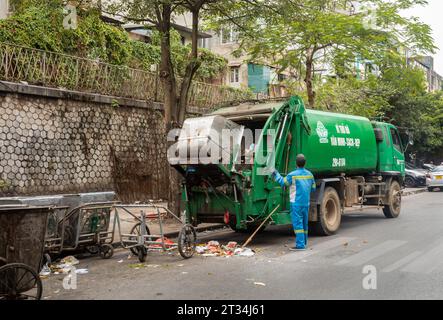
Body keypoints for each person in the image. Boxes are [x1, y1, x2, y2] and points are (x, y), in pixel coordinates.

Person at [272, 154, 316, 251]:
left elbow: (283, 183)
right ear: (305, 163)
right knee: (304, 223)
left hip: (296, 203)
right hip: (306, 203)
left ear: (296, 163)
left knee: (298, 224)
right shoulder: (310, 174)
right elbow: (313, 188)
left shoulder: (293, 175)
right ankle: (304, 243)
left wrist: (276, 174)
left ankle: (300, 245)